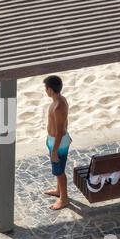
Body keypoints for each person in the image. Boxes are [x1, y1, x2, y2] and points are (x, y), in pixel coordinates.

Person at [43, 75, 72, 210]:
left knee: (59, 171)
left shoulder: (58, 107)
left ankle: (64, 199)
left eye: (45, 88)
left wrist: (54, 150)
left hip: (58, 143)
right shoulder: (58, 100)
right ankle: (58, 190)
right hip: (54, 140)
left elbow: (60, 131)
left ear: (50, 89)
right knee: (58, 169)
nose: (45, 90)